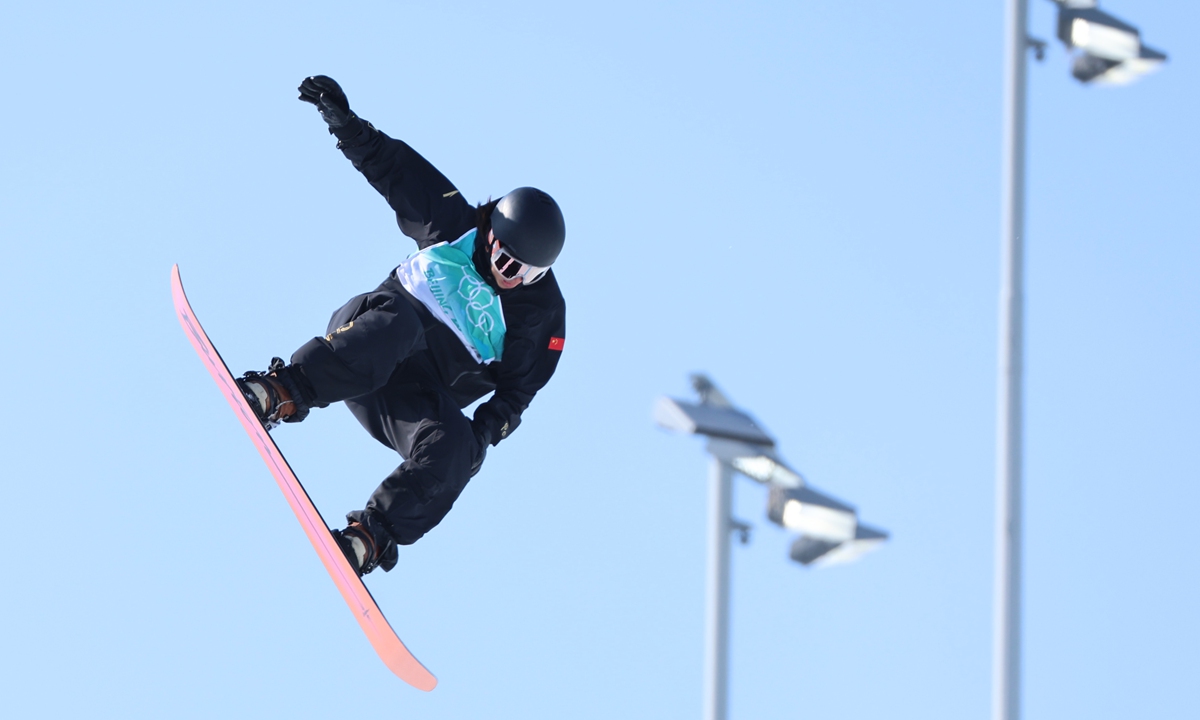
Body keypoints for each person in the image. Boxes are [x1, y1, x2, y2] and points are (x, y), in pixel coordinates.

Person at [236, 76, 567, 577]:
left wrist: (480, 438)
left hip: (410, 401)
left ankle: (370, 538)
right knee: (402, 324)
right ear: (490, 232)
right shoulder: (453, 225)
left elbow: (517, 393)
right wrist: (345, 125)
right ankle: (283, 391)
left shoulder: (540, 320)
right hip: (366, 340)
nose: (506, 272)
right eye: (502, 254)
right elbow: (395, 169)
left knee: (457, 448)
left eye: (523, 271)